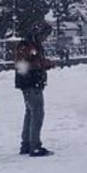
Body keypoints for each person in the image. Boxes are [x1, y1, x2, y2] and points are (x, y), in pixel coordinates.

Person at [15, 21, 55, 156]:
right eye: (45, 35)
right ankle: (34, 146)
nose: (46, 38)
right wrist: (43, 64)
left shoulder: (31, 44)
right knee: (37, 113)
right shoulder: (28, 45)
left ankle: (26, 144)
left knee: (30, 112)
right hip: (31, 83)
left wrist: (42, 63)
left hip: (30, 82)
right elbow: (23, 64)